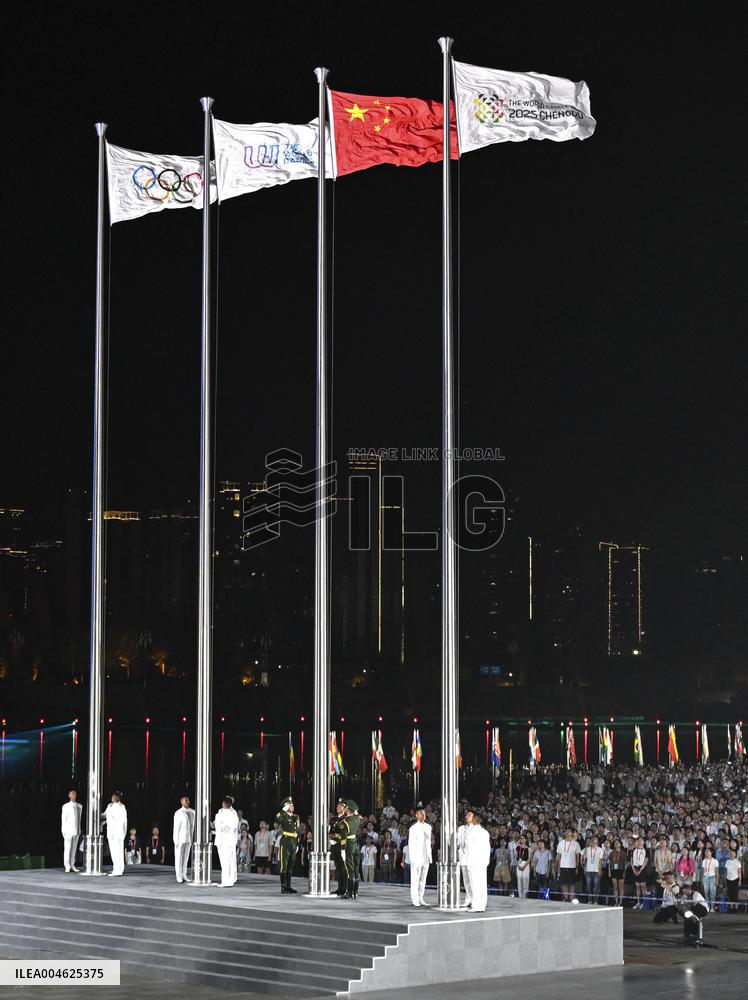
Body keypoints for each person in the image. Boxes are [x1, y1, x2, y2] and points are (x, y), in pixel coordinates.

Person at [465, 813, 491, 912]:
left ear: (475, 820)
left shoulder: (471, 832)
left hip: (474, 862)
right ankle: (482, 905)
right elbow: (487, 848)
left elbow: (468, 847)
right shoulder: (485, 832)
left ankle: (476, 905)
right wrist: (486, 862)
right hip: (482, 862)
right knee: (482, 884)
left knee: (474, 884)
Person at [408, 802, 432, 908]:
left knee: (423, 879)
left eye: (424, 813)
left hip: (425, 856)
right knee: (415, 878)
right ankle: (415, 898)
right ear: (417, 815)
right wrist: (412, 858)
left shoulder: (428, 827)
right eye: (421, 813)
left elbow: (428, 841)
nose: (423, 815)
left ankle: (421, 897)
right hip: (416, 856)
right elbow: (411, 844)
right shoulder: (413, 828)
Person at [275, 796, 300, 894]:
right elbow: (277, 818)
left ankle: (288, 886)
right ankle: (283, 886)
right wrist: (283, 810)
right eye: (290, 804)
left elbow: (297, 830)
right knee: (284, 865)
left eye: (292, 804)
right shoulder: (283, 816)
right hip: (286, 841)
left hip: (293, 841)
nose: (292, 806)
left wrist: (297, 843)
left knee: (290, 864)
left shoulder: (296, 817)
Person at [214, 796, 239, 887]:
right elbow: (234, 826)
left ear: (224, 804)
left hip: (223, 840)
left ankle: (225, 881)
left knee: (224, 862)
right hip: (231, 840)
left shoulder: (220, 814)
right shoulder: (234, 814)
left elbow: (218, 827)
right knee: (230, 860)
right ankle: (230, 880)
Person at [104, 791, 127, 877]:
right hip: (115, 832)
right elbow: (105, 816)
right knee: (116, 852)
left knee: (116, 852)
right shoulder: (112, 806)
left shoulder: (118, 807)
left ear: (116, 798)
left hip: (116, 833)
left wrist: (123, 833)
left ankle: (118, 870)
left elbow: (124, 822)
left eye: (113, 796)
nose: (112, 797)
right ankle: (117, 869)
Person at [173, 795, 195, 883]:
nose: (187, 802)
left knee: (185, 857)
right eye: (185, 800)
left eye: (188, 800)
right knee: (179, 857)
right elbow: (176, 827)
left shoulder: (192, 812)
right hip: (180, 838)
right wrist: (176, 840)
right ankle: (178, 875)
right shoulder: (178, 813)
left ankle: (184, 874)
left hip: (189, 837)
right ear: (181, 802)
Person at [343, 800, 362, 900]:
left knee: (349, 868)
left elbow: (343, 836)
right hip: (356, 844)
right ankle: (355, 892)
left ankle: (349, 893)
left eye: (346, 807)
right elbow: (361, 818)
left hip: (349, 844)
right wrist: (356, 813)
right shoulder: (357, 819)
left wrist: (342, 848)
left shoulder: (346, 821)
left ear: (348, 809)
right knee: (355, 867)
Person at [330, 799, 349, 896]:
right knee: (338, 867)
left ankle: (344, 888)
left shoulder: (345, 819)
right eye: (337, 806)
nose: (338, 808)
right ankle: (339, 888)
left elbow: (344, 835)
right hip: (334, 845)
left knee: (343, 868)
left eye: (340, 806)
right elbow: (331, 832)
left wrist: (343, 847)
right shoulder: (334, 819)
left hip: (341, 845)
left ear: (345, 808)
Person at [556, 829, 581, 901]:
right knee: (564, 883)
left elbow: (577, 856)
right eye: (566, 831)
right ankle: (566, 897)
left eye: (569, 831)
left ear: (572, 834)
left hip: (572, 866)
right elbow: (559, 856)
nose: (567, 832)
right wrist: (558, 869)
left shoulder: (576, 844)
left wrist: (576, 867)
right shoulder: (561, 843)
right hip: (562, 866)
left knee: (572, 883)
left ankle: (571, 897)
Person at [61, 789, 82, 873]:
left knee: (73, 849)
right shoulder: (65, 806)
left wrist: (79, 829)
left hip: (76, 830)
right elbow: (64, 819)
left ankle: (72, 864)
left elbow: (79, 819)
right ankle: (67, 866)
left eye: (75, 794)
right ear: (69, 795)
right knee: (67, 848)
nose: (74, 795)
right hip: (68, 830)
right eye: (72, 794)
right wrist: (64, 831)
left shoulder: (79, 806)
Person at [457, 809, 474, 908]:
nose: (467, 816)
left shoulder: (475, 828)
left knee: (472, 879)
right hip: (463, 856)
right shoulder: (461, 828)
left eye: (469, 815)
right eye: (466, 815)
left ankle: (474, 898)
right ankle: (468, 899)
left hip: (471, 856)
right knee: (466, 879)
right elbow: (458, 841)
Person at [582, 835, 604, 904]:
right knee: (588, 887)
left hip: (596, 870)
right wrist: (584, 868)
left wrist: (600, 870)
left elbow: (600, 861)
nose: (593, 843)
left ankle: (596, 901)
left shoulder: (600, 850)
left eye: (595, 842)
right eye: (592, 841)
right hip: (588, 870)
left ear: (597, 842)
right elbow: (585, 859)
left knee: (596, 887)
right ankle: (590, 900)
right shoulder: (587, 849)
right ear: (590, 842)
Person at [608, 838, 627, 906]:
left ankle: (620, 901)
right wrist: (609, 872)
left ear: (620, 844)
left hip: (621, 870)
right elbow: (610, 863)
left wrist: (624, 872)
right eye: (615, 843)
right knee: (615, 887)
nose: (616, 844)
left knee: (621, 888)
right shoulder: (612, 853)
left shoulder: (623, 853)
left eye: (618, 843)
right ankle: (616, 901)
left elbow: (626, 864)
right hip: (613, 870)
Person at [631, 837, 648, 909]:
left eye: (641, 840)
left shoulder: (645, 850)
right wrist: (634, 870)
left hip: (642, 869)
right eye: (638, 840)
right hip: (635, 869)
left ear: (643, 842)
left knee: (643, 887)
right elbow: (631, 861)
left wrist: (640, 870)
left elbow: (646, 861)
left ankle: (645, 903)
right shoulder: (634, 850)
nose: (640, 842)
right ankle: (638, 902)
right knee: (637, 887)